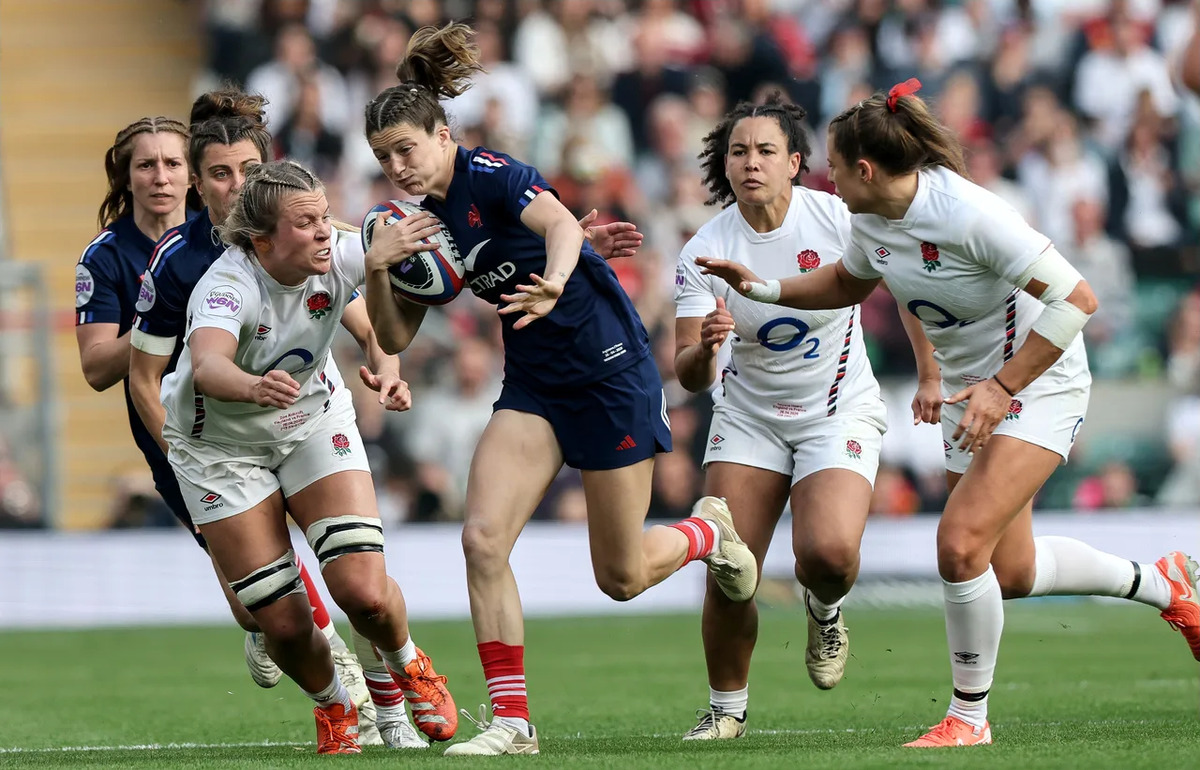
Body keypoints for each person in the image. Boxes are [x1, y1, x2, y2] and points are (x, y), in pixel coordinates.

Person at [696, 79, 1200, 748]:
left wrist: (1003, 387)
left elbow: (1077, 300)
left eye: (835, 167)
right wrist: (763, 289)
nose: (828, 179)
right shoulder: (872, 219)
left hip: (1036, 380)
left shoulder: (967, 213)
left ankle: (968, 718)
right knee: (1009, 571)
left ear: (865, 169)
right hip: (973, 387)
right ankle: (1163, 583)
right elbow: (847, 281)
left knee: (959, 547)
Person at [361, 22, 758, 756]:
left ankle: (707, 533)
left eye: (406, 150)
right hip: (535, 386)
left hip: (609, 371)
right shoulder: (414, 227)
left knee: (622, 577)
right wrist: (377, 268)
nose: (397, 167)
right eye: (384, 158)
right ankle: (513, 724)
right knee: (481, 540)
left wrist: (555, 279)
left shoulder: (490, 172)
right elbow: (393, 335)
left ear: (442, 136)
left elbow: (562, 228)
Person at [124, 89, 418, 748]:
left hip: (305, 420)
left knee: (358, 583)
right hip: (218, 446)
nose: (236, 186)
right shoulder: (180, 264)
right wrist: (188, 471)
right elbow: (143, 378)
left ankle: (388, 698)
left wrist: (385, 363)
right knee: (269, 612)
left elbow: (366, 314)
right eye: (219, 174)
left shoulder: (309, 233)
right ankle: (325, 688)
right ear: (198, 184)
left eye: (249, 170)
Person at [672, 94, 887, 740]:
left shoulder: (837, 218)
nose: (750, 162)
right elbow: (688, 373)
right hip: (749, 418)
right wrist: (705, 347)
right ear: (725, 164)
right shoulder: (705, 250)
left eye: (766, 150)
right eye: (738, 151)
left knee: (828, 555)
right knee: (729, 571)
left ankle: (824, 609)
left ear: (794, 163)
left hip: (837, 407)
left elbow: (900, 285)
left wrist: (931, 375)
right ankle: (725, 711)